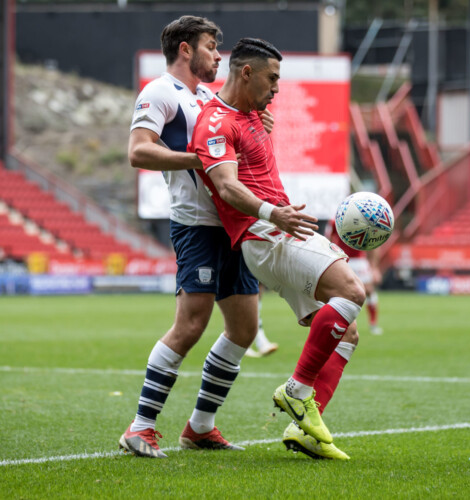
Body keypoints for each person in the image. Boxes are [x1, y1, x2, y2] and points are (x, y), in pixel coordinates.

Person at [189, 37, 366, 459]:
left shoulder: (251, 114)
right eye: (272, 78)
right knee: (352, 292)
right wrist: (274, 214)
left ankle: (305, 429)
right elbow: (226, 186)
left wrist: (261, 124)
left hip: (279, 230)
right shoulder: (215, 123)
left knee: (346, 332)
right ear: (246, 72)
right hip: (266, 234)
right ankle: (297, 390)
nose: (277, 88)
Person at [119, 16, 274, 458]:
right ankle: (140, 427)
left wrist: (258, 130)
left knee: (244, 329)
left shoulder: (208, 97)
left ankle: (200, 427)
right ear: (185, 49)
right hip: (196, 225)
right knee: (190, 325)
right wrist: (199, 158)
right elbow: (138, 151)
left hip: (232, 224)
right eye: (210, 46)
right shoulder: (159, 92)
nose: (217, 56)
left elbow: (233, 147)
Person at [326, 220, 384, 334]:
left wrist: (374, 268)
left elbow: (375, 244)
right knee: (338, 293)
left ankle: (373, 324)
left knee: (369, 291)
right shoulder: (335, 221)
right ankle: (334, 324)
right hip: (342, 258)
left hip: (359, 260)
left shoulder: (364, 220)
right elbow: (328, 240)